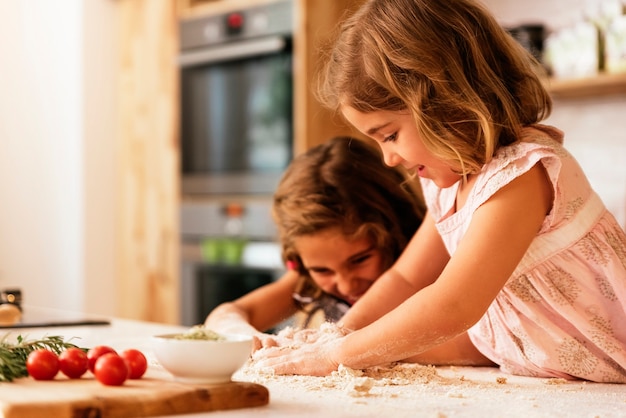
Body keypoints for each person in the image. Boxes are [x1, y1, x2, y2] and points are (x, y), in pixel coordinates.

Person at [253, 0, 626, 383]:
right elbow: (406, 280)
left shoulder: (519, 177)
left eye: (391, 135)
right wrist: (336, 334)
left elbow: (453, 304)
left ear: (446, 101)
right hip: (549, 370)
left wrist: (334, 356)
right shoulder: (448, 186)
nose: (388, 159)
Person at [204, 136, 426, 349]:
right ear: (299, 261)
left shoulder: (433, 263)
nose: (347, 285)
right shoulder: (306, 279)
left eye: (359, 260)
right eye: (322, 270)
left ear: (395, 229)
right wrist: (243, 336)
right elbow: (225, 315)